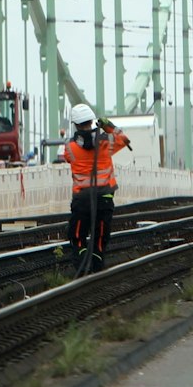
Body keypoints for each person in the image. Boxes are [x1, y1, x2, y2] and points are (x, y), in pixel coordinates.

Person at [63, 103, 129, 275]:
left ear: (76, 124)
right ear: (92, 121)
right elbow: (124, 140)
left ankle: (83, 267)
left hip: (82, 200)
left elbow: (68, 158)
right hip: (105, 197)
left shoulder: (70, 148)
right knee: (100, 239)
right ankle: (96, 269)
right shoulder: (106, 143)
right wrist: (109, 127)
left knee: (77, 237)